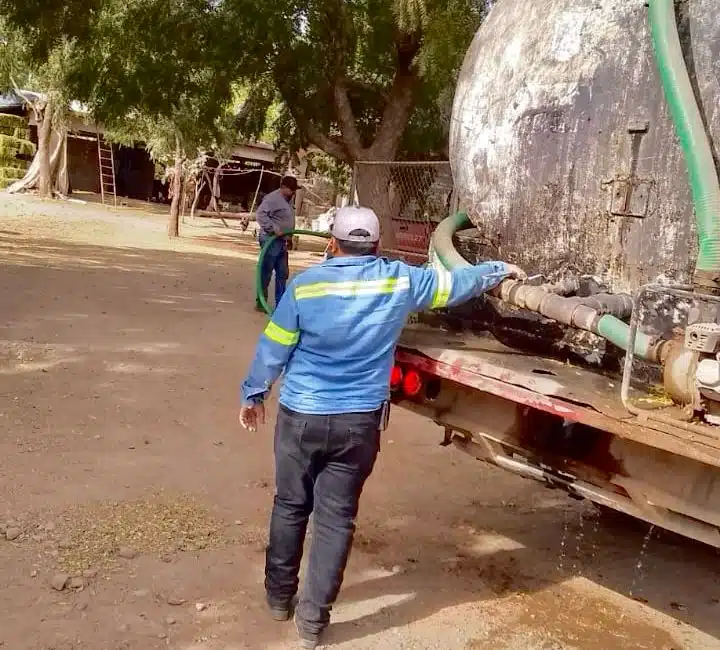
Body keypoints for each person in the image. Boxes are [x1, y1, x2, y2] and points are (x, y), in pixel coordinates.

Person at [239, 206, 526, 649]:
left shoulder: (305, 287)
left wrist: (254, 394)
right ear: (375, 245)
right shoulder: (400, 280)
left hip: (301, 417)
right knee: (335, 521)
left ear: (332, 243)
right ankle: (312, 624)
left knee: (291, 505)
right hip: (358, 424)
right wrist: (497, 269)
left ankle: (279, 598)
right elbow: (455, 285)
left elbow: (273, 348)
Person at [255, 175, 299, 311]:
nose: (293, 192)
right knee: (266, 271)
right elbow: (260, 215)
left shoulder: (288, 199)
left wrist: (289, 238)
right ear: (283, 187)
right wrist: (274, 229)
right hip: (271, 240)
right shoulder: (272, 199)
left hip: (283, 241)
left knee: (282, 272)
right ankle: (261, 301)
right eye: (291, 189)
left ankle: (280, 304)